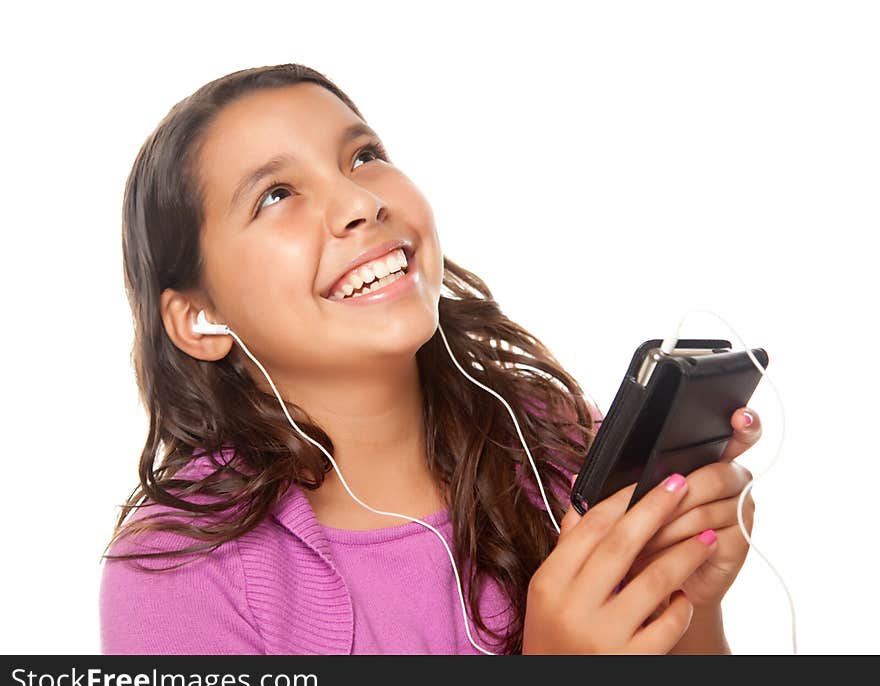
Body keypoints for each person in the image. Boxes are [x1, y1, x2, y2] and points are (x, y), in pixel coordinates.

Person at [99, 63, 759, 655]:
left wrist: (686, 602)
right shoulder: (178, 571)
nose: (362, 201)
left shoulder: (553, 441)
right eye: (276, 194)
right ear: (198, 317)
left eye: (363, 156)